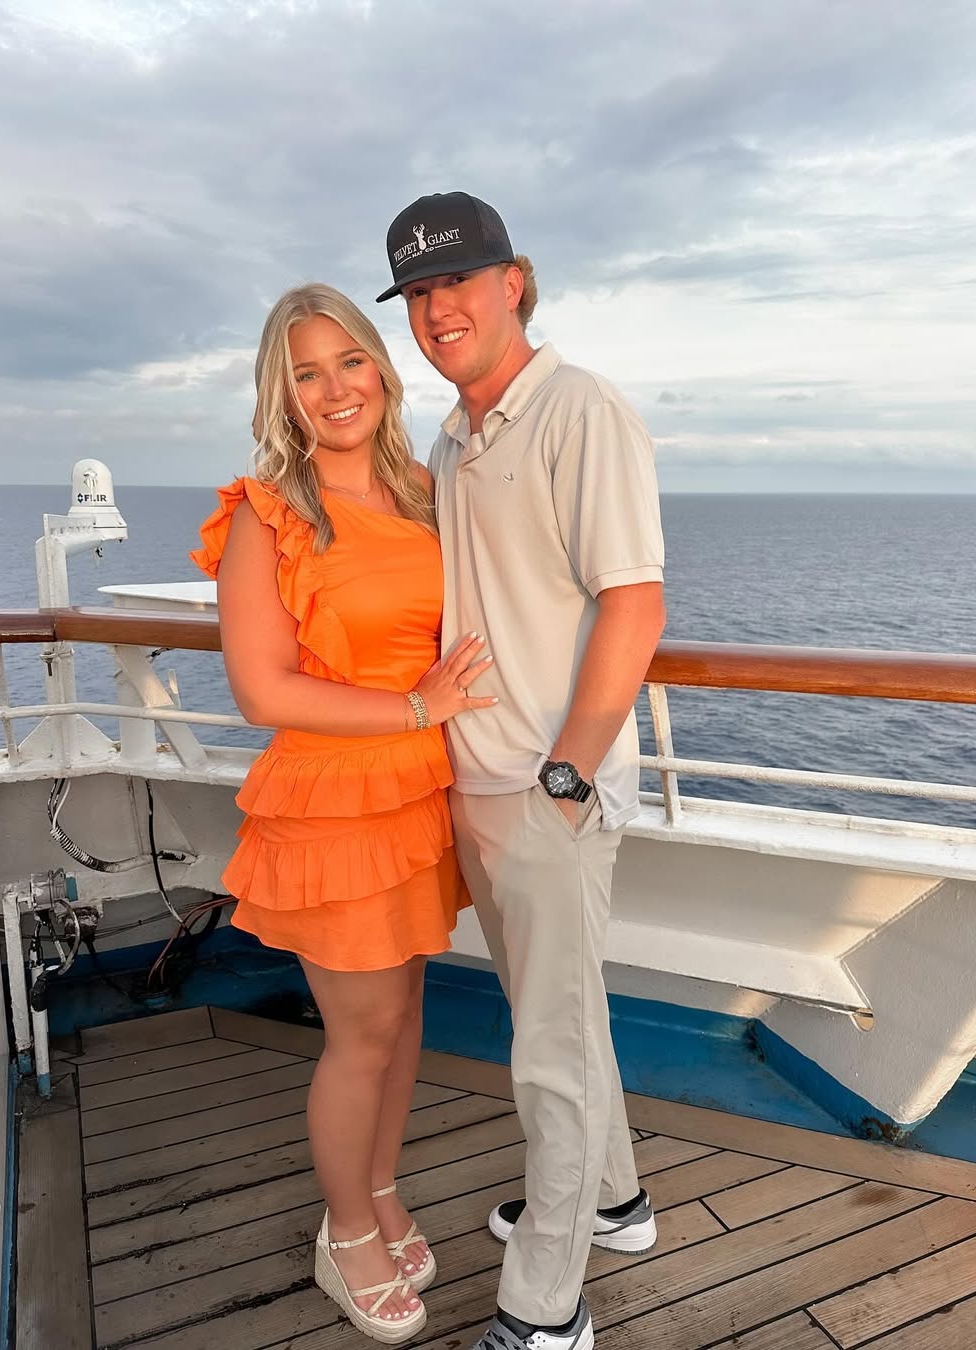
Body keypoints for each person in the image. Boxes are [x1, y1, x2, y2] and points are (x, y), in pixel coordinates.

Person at [377, 194, 667, 1350]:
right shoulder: (453, 438)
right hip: (480, 782)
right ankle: (614, 1203)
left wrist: (566, 777)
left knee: (549, 1049)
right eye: (418, 293)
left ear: (514, 283)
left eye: (457, 281)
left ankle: (549, 1305)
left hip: (549, 789)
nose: (437, 309)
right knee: (559, 1019)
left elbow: (634, 604)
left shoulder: (577, 409)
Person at [190, 283, 496, 1345]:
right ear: (281, 395)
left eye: (349, 362)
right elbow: (261, 691)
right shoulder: (268, 513)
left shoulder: (424, 491)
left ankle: (379, 1191)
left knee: (402, 1017)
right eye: (306, 374)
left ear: (382, 368)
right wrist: (417, 706)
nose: (334, 390)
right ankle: (346, 1233)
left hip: (416, 791)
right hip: (334, 801)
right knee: (360, 1036)